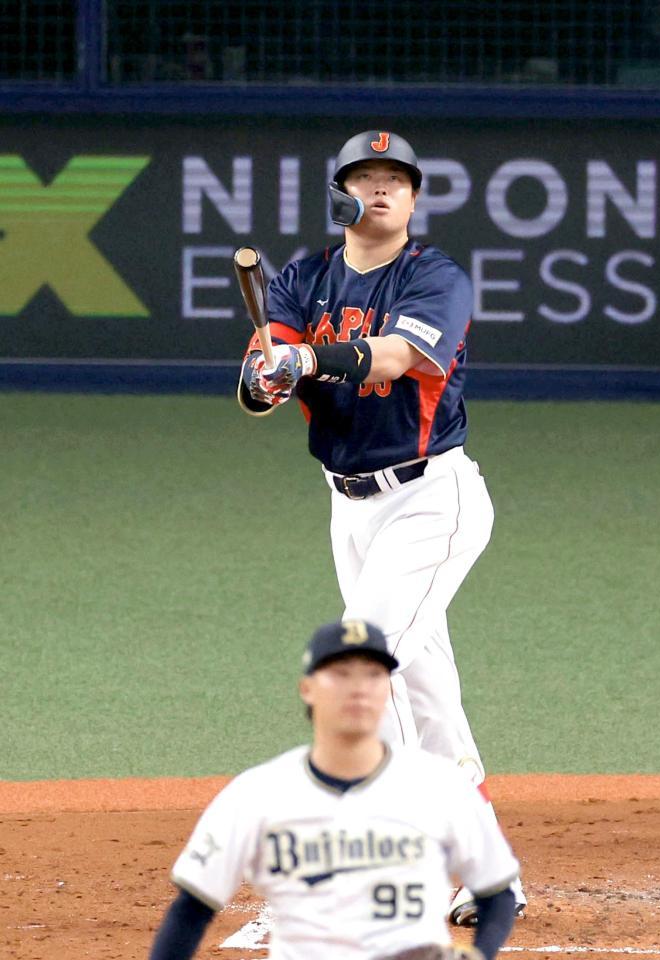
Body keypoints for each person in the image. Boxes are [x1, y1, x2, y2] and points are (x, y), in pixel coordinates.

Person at [237, 130, 526, 922]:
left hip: (431, 498)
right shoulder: (301, 279)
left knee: (365, 662)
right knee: (425, 693)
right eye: (364, 177)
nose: (380, 188)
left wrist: (307, 362)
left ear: (414, 196)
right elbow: (264, 376)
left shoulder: (435, 277)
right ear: (339, 196)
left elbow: (396, 357)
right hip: (349, 509)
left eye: (395, 178)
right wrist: (266, 375)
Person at [148, 619, 519, 960]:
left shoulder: (442, 787)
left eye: (373, 674)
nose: (358, 688)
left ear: (388, 688)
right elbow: (191, 910)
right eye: (341, 674)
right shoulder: (256, 795)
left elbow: (498, 893)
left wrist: (482, 954)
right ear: (307, 689)